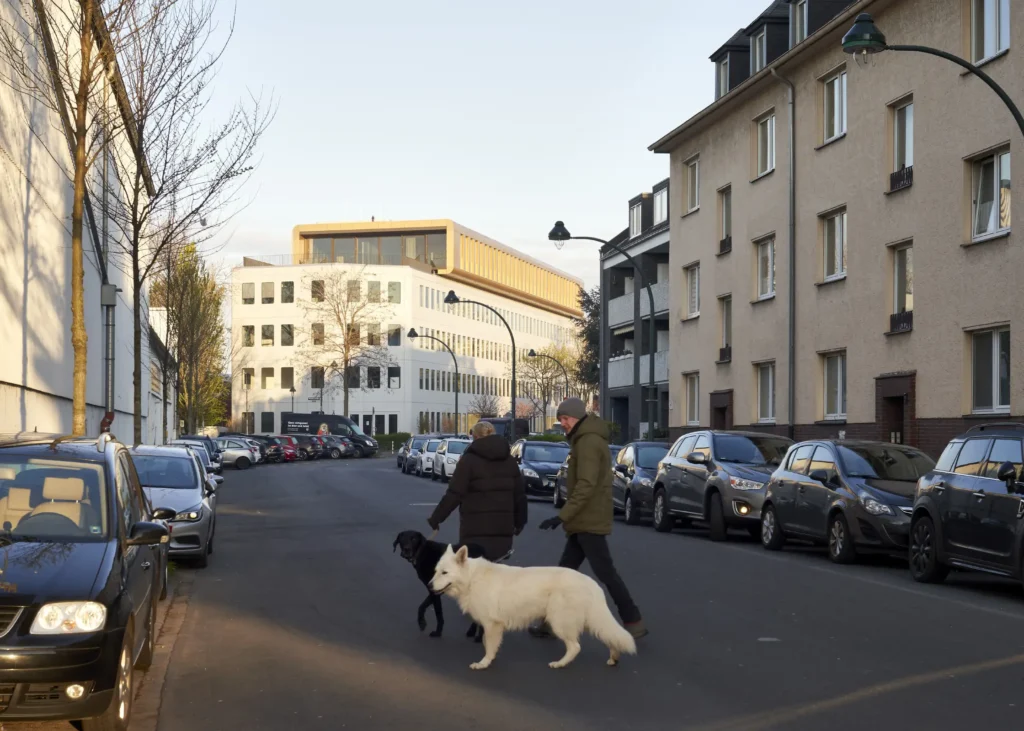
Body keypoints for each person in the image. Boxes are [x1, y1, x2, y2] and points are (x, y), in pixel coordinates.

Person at [532, 397, 647, 639]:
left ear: (576, 418)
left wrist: (561, 516)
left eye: (565, 419)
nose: (562, 423)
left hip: (588, 519)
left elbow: (586, 484)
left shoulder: (587, 443)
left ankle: (633, 619)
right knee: (564, 573)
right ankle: (549, 622)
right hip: (584, 518)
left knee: (604, 572)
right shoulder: (585, 439)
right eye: (560, 419)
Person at [427, 421, 527, 561]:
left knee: (474, 576)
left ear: (475, 437)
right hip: (502, 530)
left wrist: (436, 518)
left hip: (475, 531)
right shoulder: (509, 461)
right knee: (495, 573)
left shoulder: (469, 461)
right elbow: (519, 496)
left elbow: (454, 493)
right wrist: (520, 521)